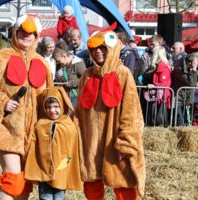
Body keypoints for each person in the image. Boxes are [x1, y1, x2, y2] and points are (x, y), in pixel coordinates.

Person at [0, 14, 53, 200]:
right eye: (23, 32)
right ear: (15, 32)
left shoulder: (42, 62)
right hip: (5, 128)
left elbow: (49, 95)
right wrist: (1, 102)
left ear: (37, 37)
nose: (27, 36)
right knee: (13, 178)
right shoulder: (1, 56)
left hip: (31, 133)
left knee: (24, 183)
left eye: (31, 33)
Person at [75, 29, 146, 199]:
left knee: (123, 182)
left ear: (112, 47)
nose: (98, 51)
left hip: (114, 140)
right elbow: (79, 109)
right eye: (94, 49)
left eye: (103, 47)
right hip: (90, 141)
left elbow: (132, 112)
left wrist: (126, 142)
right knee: (92, 182)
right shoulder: (87, 75)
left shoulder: (123, 73)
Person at [24, 86, 82, 200]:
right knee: (46, 197)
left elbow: (72, 149)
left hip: (61, 170)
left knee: (59, 197)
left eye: (56, 106)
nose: (52, 110)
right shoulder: (40, 124)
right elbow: (34, 148)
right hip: (44, 171)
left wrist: (65, 165)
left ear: (63, 106)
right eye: (48, 107)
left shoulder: (68, 125)